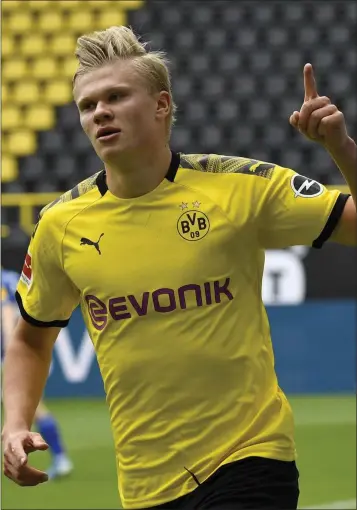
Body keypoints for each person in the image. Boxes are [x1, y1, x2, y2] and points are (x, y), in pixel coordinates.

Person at [2, 25, 356, 509]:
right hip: (146, 484)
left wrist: (340, 147)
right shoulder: (61, 225)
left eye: (116, 96)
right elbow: (30, 337)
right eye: (87, 105)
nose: (100, 111)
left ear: (161, 105)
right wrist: (16, 422)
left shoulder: (240, 188)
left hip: (251, 458)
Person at [1, 268, 73, 480]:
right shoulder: (13, 278)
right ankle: (59, 458)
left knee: (33, 408)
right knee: (31, 408)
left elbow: (6, 315)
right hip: (24, 350)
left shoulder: (3, 281)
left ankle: (61, 458)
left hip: (18, 355)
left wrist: (9, 354)